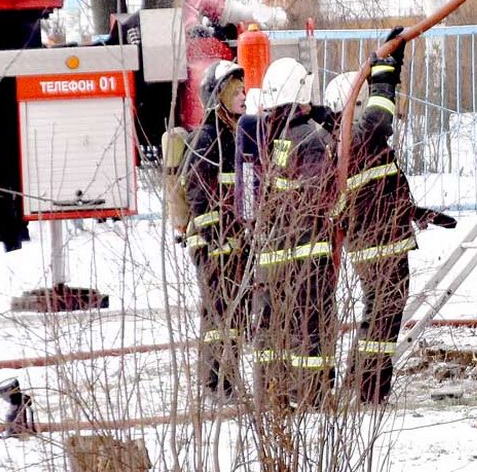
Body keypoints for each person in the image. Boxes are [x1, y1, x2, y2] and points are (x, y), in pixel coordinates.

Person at [324, 29, 457, 404]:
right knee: (381, 321)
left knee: (378, 317)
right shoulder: (356, 138)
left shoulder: (362, 144)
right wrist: (384, 74)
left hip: (383, 243)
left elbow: (380, 192)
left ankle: (361, 382)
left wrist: (419, 213)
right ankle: (370, 390)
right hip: (379, 248)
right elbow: (380, 118)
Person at [236, 57, 337, 409]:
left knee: (269, 330)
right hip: (307, 254)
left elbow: (249, 203)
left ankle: (271, 397)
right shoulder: (314, 138)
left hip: (269, 258)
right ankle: (312, 398)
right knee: (311, 330)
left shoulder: (263, 137)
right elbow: (324, 195)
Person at [179, 59, 250, 402]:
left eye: (242, 89)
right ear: (216, 97)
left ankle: (227, 382)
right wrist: (214, 239)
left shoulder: (236, 133)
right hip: (213, 247)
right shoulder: (208, 137)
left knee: (234, 316)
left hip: (233, 245)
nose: (242, 96)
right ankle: (215, 385)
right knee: (219, 315)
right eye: (234, 90)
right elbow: (196, 192)